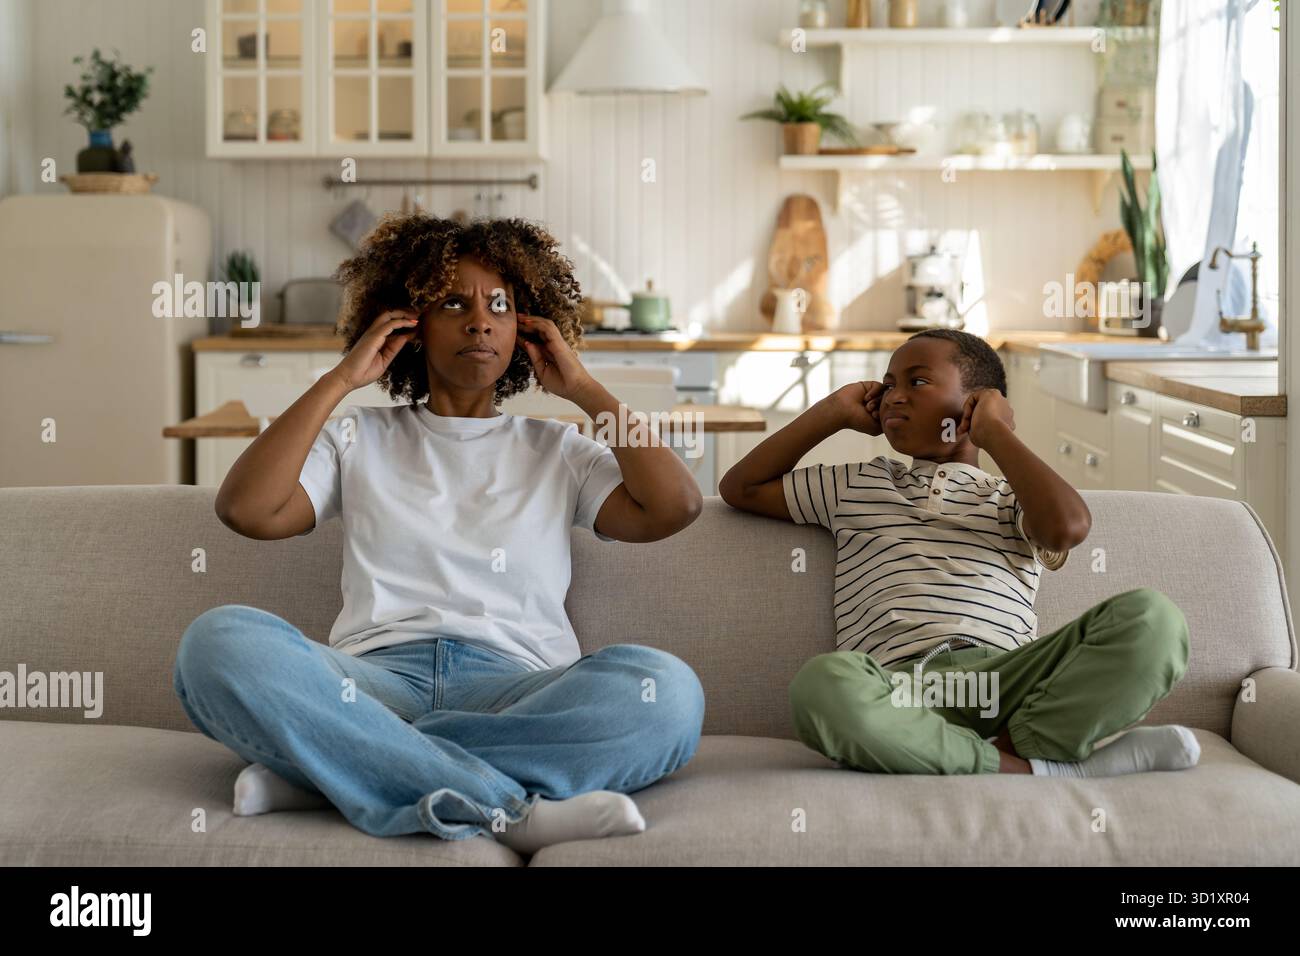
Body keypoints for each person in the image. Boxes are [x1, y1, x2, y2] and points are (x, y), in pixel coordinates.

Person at [173, 215, 705, 853]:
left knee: (667, 694)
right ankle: (509, 808)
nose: (479, 320)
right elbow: (246, 510)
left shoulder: (557, 447)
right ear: (411, 327)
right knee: (218, 643)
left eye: (499, 306)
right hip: (370, 685)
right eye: (454, 302)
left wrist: (585, 388)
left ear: (524, 332)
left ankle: (337, 770)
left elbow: (675, 506)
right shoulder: (358, 437)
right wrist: (341, 379)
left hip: (518, 689)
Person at [719, 329, 1199, 778]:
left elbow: (1068, 528)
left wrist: (996, 434)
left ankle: (1002, 749)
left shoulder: (1012, 498)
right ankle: (1027, 768)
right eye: (887, 385)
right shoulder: (859, 483)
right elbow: (740, 487)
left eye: (918, 381)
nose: (894, 395)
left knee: (1154, 619)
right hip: (900, 690)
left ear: (975, 405)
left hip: (1007, 680)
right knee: (822, 684)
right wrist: (831, 411)